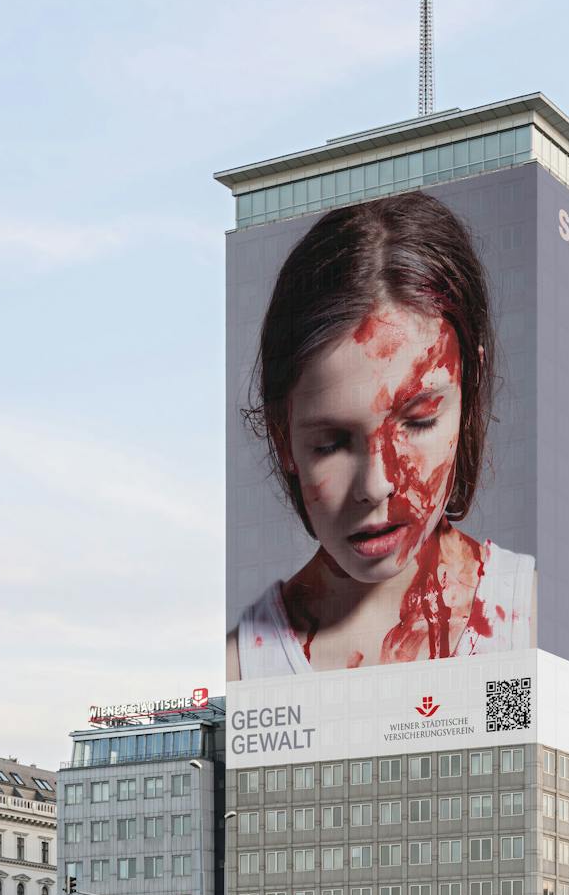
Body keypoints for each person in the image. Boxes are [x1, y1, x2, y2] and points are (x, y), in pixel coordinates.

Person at [228, 192, 534, 680]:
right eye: (330, 442)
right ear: (282, 438)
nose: (376, 484)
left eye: (418, 420)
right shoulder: (243, 666)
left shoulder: (531, 621)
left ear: (469, 392)